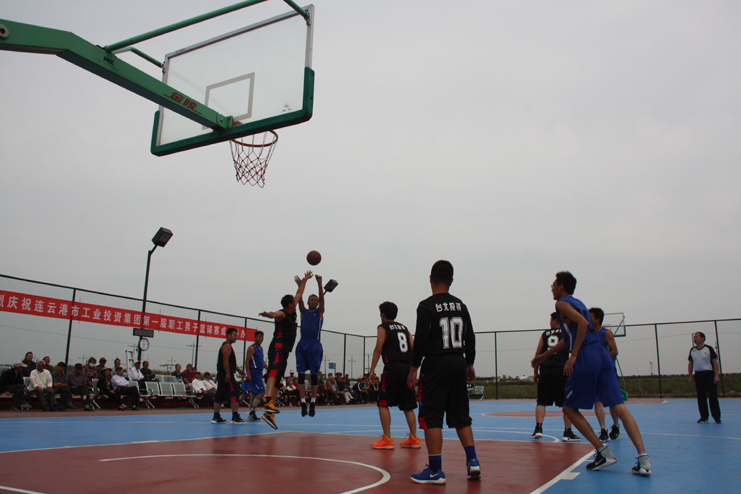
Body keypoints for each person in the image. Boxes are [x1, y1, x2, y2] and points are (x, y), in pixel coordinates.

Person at [531, 271, 651, 476]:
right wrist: (545, 355)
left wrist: (574, 355)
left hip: (586, 356)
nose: (552, 289)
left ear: (561, 287)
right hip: (601, 353)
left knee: (569, 409)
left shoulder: (561, 304)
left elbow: (583, 324)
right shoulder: (579, 303)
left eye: (553, 285)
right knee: (619, 407)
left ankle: (603, 452)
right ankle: (644, 459)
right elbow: (571, 336)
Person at [407, 260, 480, 484]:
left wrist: (414, 367)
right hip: (458, 361)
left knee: (432, 418)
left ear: (430, 278)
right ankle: (473, 461)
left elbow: (421, 339)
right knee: (461, 416)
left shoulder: (426, 306)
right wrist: (469, 363)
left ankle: (435, 470)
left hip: (436, 364)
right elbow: (470, 337)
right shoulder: (461, 306)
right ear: (451, 280)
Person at [258, 271, 312, 429]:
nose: (296, 302)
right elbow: (274, 314)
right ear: (289, 304)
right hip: (278, 346)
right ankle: (268, 401)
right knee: (273, 373)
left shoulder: (292, 311)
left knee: (278, 379)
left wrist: (305, 280)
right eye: (293, 302)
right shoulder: (282, 313)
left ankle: (269, 413)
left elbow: (299, 292)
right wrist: (268, 315)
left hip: (285, 350)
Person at [369, 301, 420, 450]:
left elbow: (378, 348)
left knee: (383, 403)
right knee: (408, 405)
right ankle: (414, 438)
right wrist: (414, 369)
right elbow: (414, 348)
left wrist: (371, 370)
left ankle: (387, 439)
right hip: (407, 367)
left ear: (382, 315)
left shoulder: (383, 327)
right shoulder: (405, 328)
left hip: (393, 367)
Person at [531, 312, 580, 442]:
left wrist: (536, 372)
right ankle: (567, 431)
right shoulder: (567, 333)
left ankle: (538, 428)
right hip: (561, 370)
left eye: (551, 320)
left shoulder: (545, 334)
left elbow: (537, 355)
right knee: (567, 402)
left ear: (555, 321)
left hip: (545, 370)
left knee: (541, 401)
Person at [294, 273, 326, 418]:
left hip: (314, 345)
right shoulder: (303, 311)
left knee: (314, 375)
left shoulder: (320, 312)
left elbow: (322, 299)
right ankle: (302, 402)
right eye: (311, 299)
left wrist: (320, 283)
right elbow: (299, 298)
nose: (314, 301)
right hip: (303, 344)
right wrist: (301, 284)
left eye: (315, 300)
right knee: (301, 375)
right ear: (308, 302)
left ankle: (312, 401)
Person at [590, 307, 622, 441]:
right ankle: (603, 429)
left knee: (613, 402)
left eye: (590, 317)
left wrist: (601, 358)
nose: (588, 319)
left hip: (607, 372)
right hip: (595, 372)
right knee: (597, 401)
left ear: (597, 320)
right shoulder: (588, 334)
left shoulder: (606, 333)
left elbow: (614, 351)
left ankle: (615, 425)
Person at [211, 327, 246, 424]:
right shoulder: (227, 346)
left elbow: (229, 362)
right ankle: (235, 416)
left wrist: (239, 370)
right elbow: (225, 360)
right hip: (226, 374)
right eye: (234, 335)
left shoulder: (226, 346)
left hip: (222, 374)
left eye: (236, 335)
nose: (236, 337)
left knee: (219, 395)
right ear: (228, 335)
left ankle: (216, 416)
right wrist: (227, 373)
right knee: (234, 393)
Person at [688, 331, 721, 424]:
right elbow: (690, 363)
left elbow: (715, 362)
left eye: (696, 337)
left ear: (702, 338)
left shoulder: (709, 349)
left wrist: (716, 375)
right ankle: (704, 417)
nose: (695, 339)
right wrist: (690, 376)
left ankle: (716, 417)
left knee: (712, 396)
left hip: (709, 374)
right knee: (701, 397)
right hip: (698, 375)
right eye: (694, 337)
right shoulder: (692, 350)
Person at [244, 330, 268, 421]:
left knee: (254, 393)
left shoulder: (260, 348)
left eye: (262, 337)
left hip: (259, 372)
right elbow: (247, 361)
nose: (261, 338)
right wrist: (248, 374)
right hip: (254, 372)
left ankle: (251, 413)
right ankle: (251, 411)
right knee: (262, 392)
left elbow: (261, 360)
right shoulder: (252, 348)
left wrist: (268, 369)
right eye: (259, 336)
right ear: (255, 337)